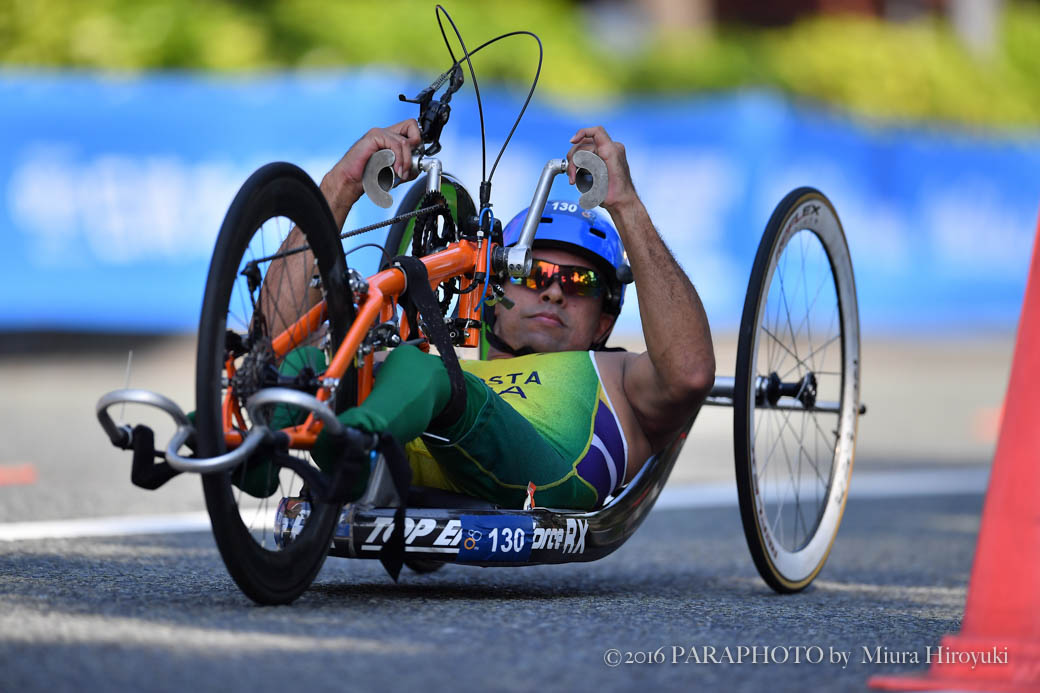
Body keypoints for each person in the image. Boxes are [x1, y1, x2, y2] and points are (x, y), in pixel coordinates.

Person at [275, 119, 715, 510]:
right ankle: (243, 447)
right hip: (405, 453)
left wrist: (627, 205)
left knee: (420, 370)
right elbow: (279, 338)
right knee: (310, 366)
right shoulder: (447, 362)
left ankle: (353, 444)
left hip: (549, 477)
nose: (556, 292)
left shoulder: (619, 376)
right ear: (491, 290)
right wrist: (339, 186)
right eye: (535, 273)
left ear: (604, 321)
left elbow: (690, 373)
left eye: (580, 283)